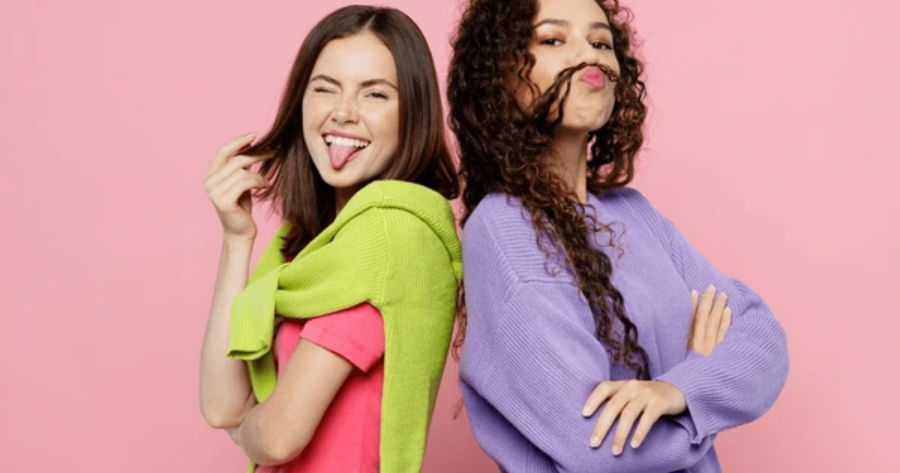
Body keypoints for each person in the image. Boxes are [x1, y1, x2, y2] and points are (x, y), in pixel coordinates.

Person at [447, 0, 789, 471]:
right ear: (499, 76)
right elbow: (597, 444)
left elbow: (763, 339)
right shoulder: (505, 229)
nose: (590, 55)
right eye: (553, 39)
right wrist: (703, 393)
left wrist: (680, 389)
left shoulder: (636, 214)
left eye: (601, 42)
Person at [199, 5, 462, 473]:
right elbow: (221, 405)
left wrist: (246, 430)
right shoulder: (315, 244)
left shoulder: (390, 237)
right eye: (324, 88)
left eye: (375, 94)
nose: (343, 112)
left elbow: (276, 437)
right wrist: (237, 238)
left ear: (413, 113)